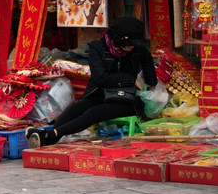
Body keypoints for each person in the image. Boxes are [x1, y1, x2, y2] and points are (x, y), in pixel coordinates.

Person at [26, 16, 157, 147]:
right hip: (100, 93)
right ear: (120, 39)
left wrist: (152, 88)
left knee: (95, 112)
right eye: (130, 43)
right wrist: (130, 79)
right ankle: (50, 137)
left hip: (126, 99)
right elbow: (100, 77)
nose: (132, 46)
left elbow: (148, 64)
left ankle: (48, 135)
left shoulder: (138, 50)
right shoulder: (97, 48)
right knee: (77, 108)